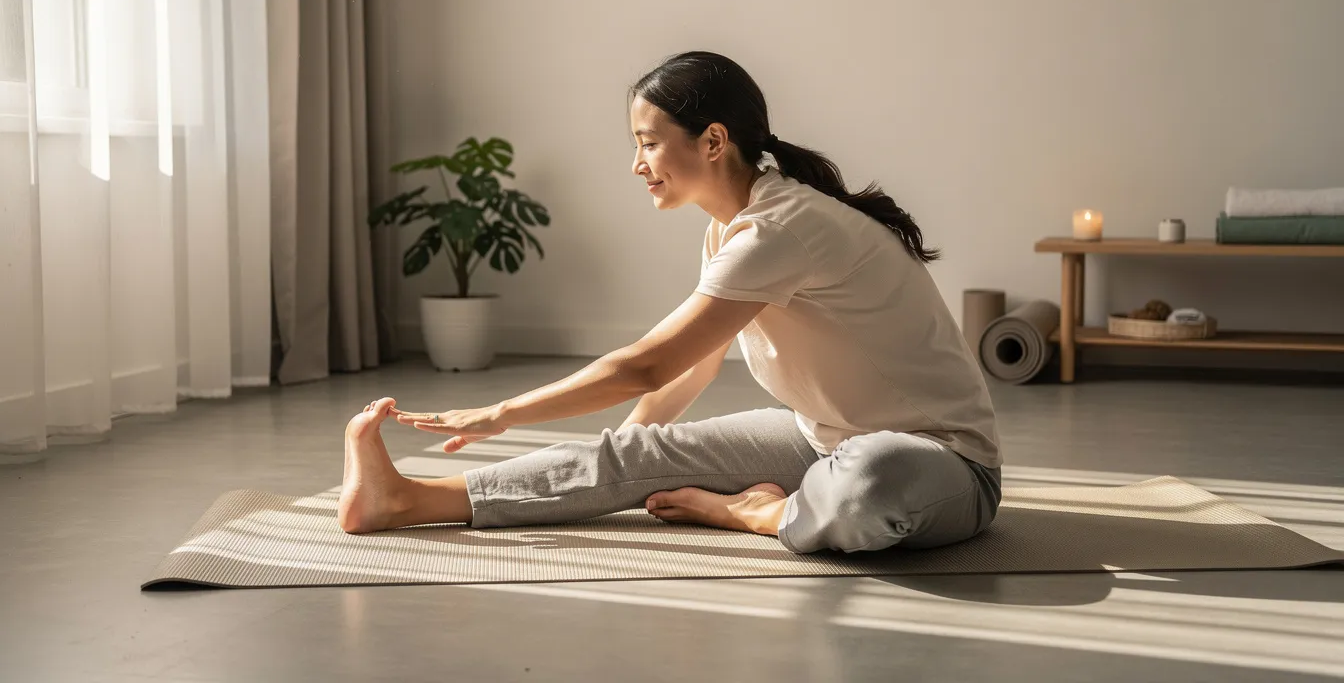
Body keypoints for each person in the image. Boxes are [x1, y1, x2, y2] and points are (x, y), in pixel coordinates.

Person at [339, 51, 1002, 554]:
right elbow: (690, 368)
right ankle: (402, 499)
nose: (638, 164)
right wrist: (617, 466)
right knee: (643, 448)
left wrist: (503, 412)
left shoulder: (783, 228)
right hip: (818, 442)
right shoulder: (733, 227)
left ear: (712, 142)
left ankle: (752, 512)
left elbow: (647, 365)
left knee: (873, 479)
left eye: (649, 143)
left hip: (942, 465)